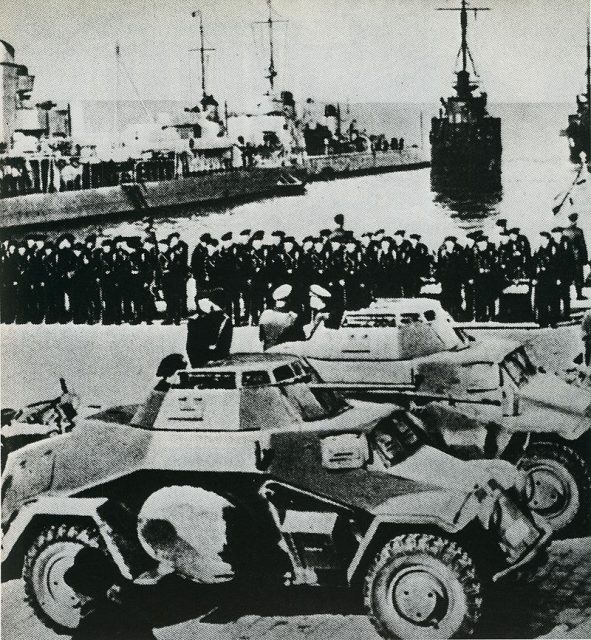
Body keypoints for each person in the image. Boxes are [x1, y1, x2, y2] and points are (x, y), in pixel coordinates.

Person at [186, 292, 233, 367]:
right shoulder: (194, 321)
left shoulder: (224, 321)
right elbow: (191, 348)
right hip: (202, 360)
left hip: (213, 361)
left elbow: (223, 349)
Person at [259, 284, 305, 350]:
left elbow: (261, 338)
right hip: (286, 355)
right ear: (289, 300)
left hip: (268, 354)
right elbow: (301, 340)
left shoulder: (265, 315)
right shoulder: (292, 318)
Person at [562, 213, 588, 300]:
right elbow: (582, 246)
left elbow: (562, 245)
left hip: (567, 258)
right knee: (578, 277)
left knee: (568, 276)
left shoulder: (565, 231)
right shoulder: (579, 231)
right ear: (575, 220)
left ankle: (567, 296)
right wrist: (585, 259)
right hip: (577, 257)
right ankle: (579, 295)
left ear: (569, 220)